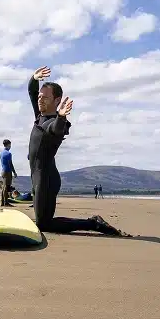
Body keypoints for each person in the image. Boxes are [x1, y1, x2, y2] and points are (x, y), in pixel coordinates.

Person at [27, 66, 128, 236]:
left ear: (57, 100)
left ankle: (93, 224)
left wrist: (61, 116)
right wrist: (34, 78)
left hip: (46, 179)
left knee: (44, 224)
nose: (40, 100)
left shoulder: (57, 122)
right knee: (42, 220)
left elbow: (55, 129)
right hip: (37, 176)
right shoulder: (40, 115)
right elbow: (31, 92)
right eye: (40, 97)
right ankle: (91, 223)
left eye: (45, 98)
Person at [0, 139, 18, 207]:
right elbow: (10, 164)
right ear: (8, 145)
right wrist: (14, 172)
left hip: (3, 171)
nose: (10, 146)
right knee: (6, 187)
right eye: (10, 145)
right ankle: (6, 203)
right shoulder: (8, 153)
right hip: (7, 171)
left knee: (4, 187)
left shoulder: (1, 153)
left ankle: (2, 202)